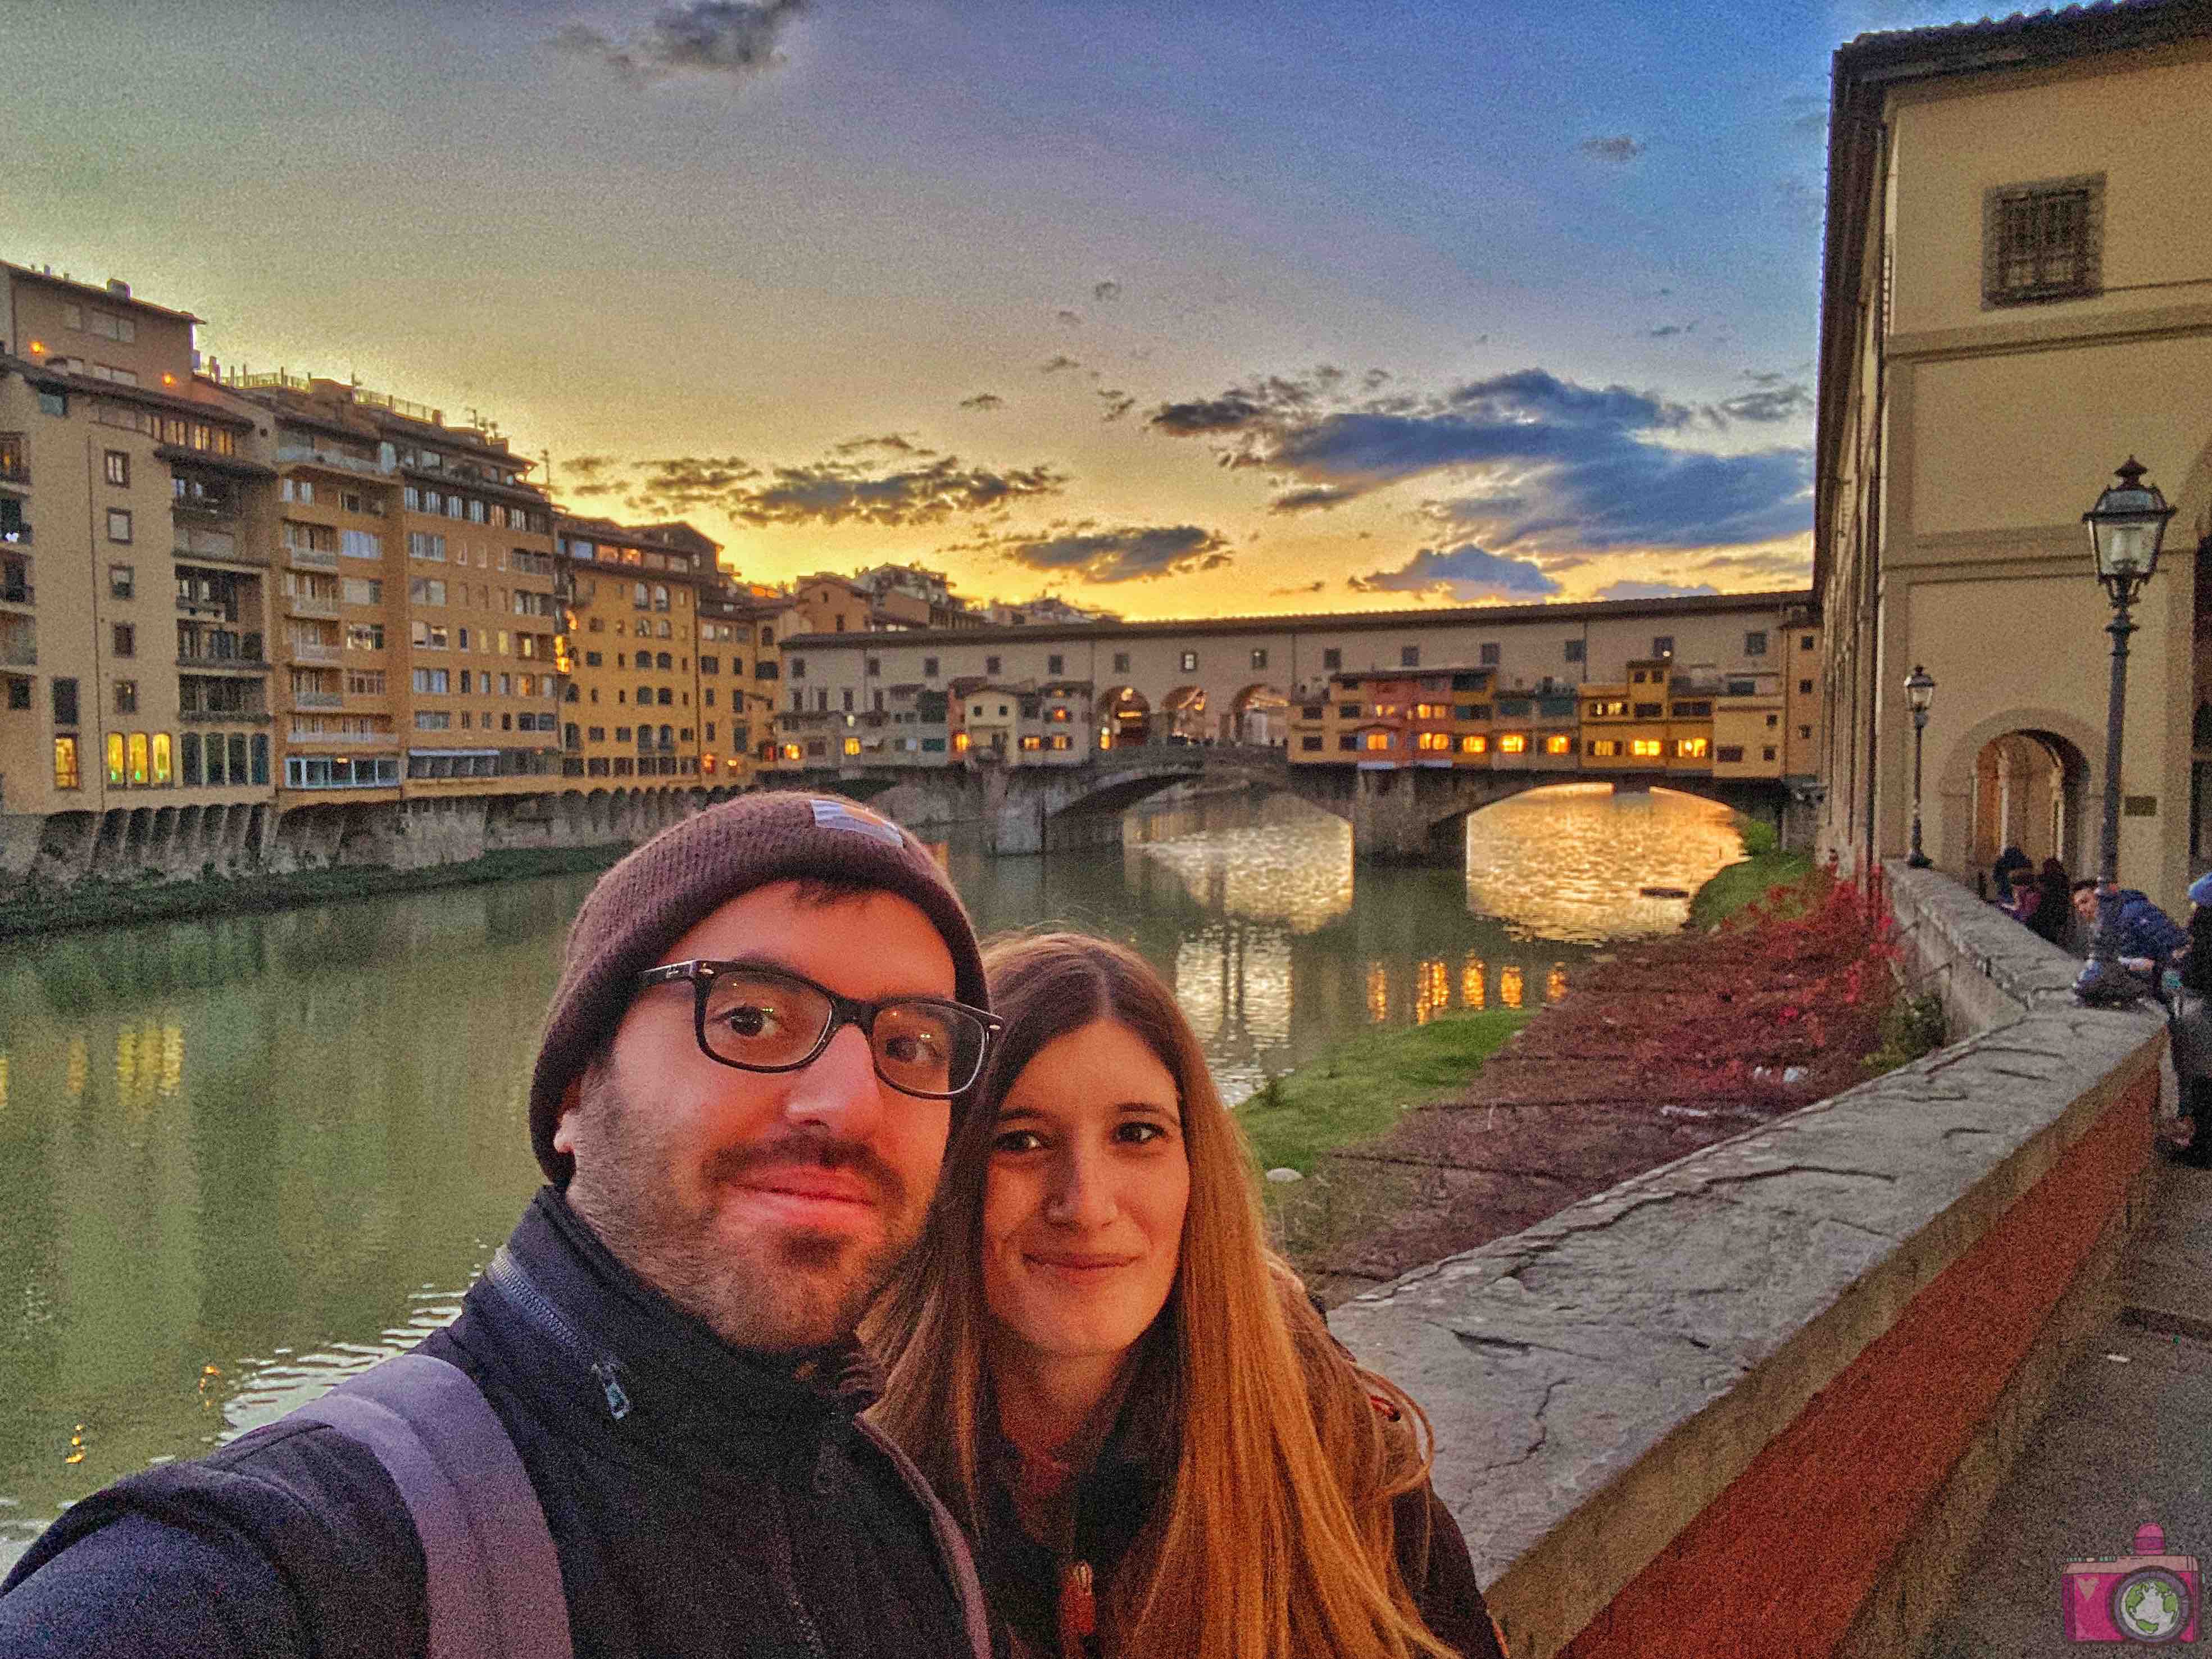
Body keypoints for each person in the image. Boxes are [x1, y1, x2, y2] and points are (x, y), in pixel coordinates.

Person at [0, 792, 1001, 1659]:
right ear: (573, 1088)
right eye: (747, 1018)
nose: (849, 1103)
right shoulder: (291, 1558)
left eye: (911, 1044)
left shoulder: (917, 1538)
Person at [870, 933, 1506, 1659]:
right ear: (945, 1174)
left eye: (1136, 1133)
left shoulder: (1335, 1463)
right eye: (1019, 1141)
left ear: (1195, 1172)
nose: (1084, 1203)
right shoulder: (851, 1486)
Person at [2169, 872, 2212, 1169]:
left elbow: (2197, 974)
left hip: (2202, 1010)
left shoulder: (2205, 932)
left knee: (2202, 1081)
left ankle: (2203, 1148)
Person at [2070, 878, 2188, 979]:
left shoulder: (2133, 912)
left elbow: (2176, 946)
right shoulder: (2101, 925)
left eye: (2085, 901)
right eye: (2078, 906)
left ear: (2101, 897)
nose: (2082, 909)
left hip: (2168, 979)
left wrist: (2156, 966)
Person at [2026, 857, 2073, 947]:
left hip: (2052, 912)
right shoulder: (2060, 879)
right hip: (2054, 912)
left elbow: (2046, 891)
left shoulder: (2057, 880)